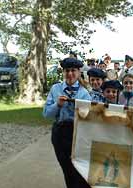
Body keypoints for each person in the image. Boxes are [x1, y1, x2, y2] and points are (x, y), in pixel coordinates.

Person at [43, 57, 91, 188]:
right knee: (66, 168)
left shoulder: (84, 93)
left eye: (73, 70)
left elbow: (89, 118)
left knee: (79, 168)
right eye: (67, 70)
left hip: (77, 133)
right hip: (59, 133)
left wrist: (82, 112)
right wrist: (57, 105)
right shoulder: (55, 89)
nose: (70, 74)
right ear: (63, 72)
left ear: (79, 72)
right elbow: (46, 114)